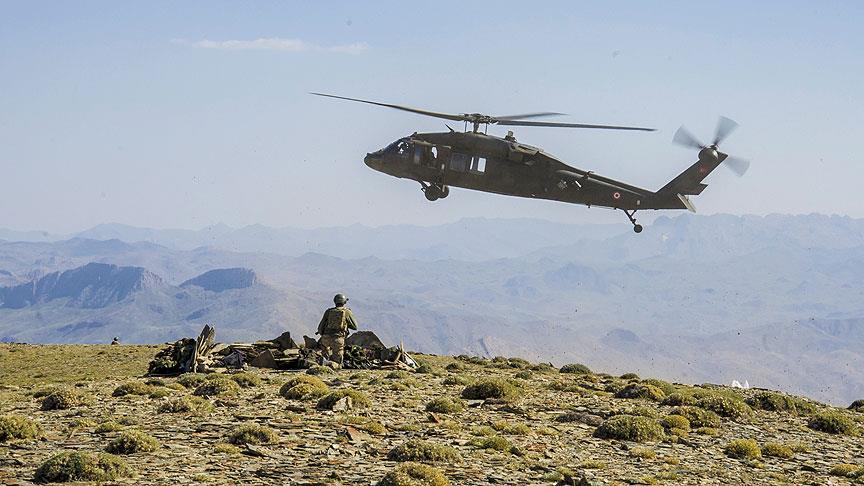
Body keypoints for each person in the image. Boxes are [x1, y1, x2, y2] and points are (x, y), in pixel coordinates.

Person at [315, 293, 358, 365]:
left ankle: (325, 363)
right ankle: (329, 364)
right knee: (338, 363)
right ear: (344, 302)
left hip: (325, 338)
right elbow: (355, 327)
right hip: (338, 339)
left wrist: (323, 337)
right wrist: (345, 324)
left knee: (325, 356)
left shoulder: (328, 311)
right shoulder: (346, 311)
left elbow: (320, 327)